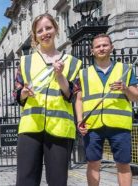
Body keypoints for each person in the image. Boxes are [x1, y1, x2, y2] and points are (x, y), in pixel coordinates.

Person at [14, 13, 82, 186]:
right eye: (40, 30)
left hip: (59, 129)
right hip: (30, 127)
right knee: (25, 181)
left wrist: (60, 76)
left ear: (56, 29)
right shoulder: (25, 61)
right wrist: (23, 93)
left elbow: (71, 96)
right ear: (35, 36)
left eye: (48, 28)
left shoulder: (73, 63)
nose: (45, 33)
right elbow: (17, 94)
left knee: (58, 181)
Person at [75, 33, 138, 186]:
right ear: (92, 50)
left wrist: (125, 89)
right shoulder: (83, 73)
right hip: (92, 125)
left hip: (119, 125)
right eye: (98, 46)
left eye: (105, 45)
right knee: (93, 163)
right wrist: (79, 121)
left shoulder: (125, 69)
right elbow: (79, 99)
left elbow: (135, 97)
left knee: (123, 165)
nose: (101, 48)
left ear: (111, 47)